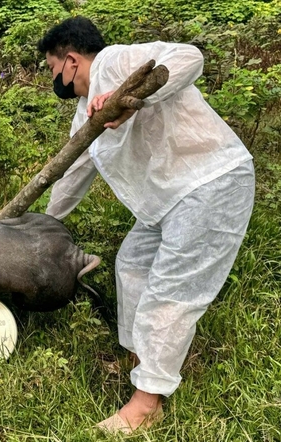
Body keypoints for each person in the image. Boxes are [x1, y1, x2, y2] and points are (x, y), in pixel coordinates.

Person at [37, 17, 255, 433]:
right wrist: (43, 222)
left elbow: (189, 57)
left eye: (52, 69)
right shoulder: (87, 111)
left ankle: (147, 403)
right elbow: (73, 172)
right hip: (167, 200)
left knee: (171, 292)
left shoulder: (116, 62)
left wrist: (131, 95)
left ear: (69, 60)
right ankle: (146, 360)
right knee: (132, 264)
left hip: (209, 182)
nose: (56, 81)